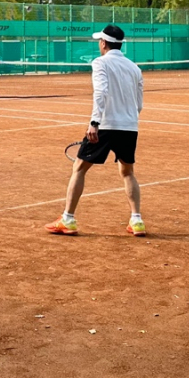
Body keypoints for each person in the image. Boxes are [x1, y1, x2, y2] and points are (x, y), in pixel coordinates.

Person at [46, 25, 146, 237]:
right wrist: (127, 120)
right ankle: (136, 221)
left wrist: (94, 122)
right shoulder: (135, 68)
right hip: (129, 127)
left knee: (80, 168)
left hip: (106, 126)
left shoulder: (100, 62)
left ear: (103, 43)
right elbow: (139, 104)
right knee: (128, 172)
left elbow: (100, 92)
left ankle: (68, 219)